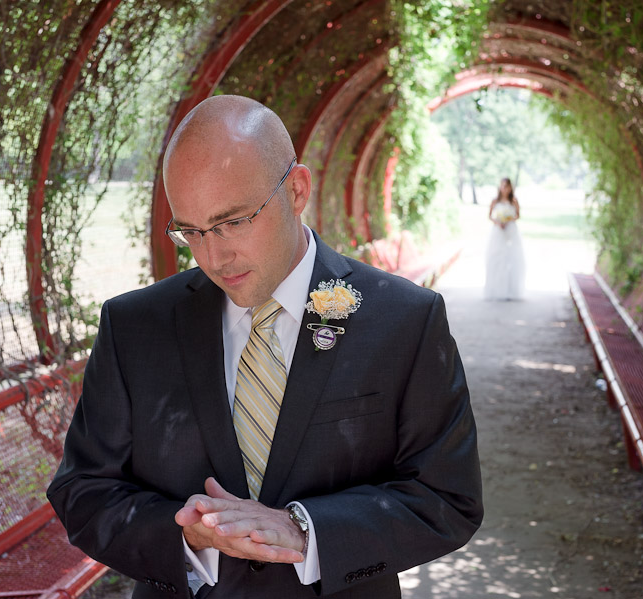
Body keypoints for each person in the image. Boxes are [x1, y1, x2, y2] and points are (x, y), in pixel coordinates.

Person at [47, 95, 483, 599]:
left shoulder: (404, 319)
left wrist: (307, 531)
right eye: (191, 230)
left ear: (297, 190)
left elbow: (447, 497)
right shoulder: (133, 326)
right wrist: (186, 538)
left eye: (233, 221)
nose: (214, 254)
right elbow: (82, 491)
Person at [484, 177, 525, 300]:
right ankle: (497, 289)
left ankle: (512, 290)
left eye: (507, 186)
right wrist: (498, 222)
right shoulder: (495, 201)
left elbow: (518, 215)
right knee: (497, 258)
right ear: (500, 187)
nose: (504, 189)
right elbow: (489, 216)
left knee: (513, 258)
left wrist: (509, 219)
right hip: (498, 231)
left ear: (510, 187)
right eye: (502, 186)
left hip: (511, 230)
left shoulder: (514, 200)